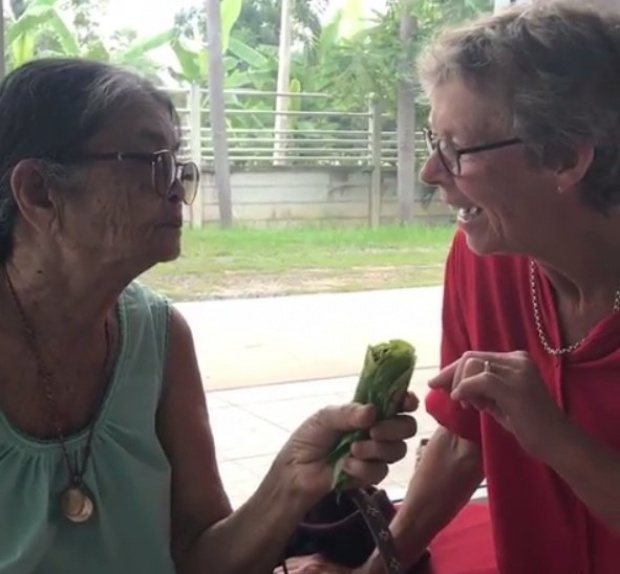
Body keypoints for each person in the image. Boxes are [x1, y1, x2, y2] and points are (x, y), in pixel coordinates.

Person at [0, 57, 418, 574]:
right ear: (40, 193)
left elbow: (203, 559)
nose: (175, 185)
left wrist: (293, 478)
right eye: (149, 161)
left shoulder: (158, 336)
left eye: (175, 162)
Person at [282, 2, 620, 574]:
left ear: (565, 156)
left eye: (455, 148)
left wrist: (557, 439)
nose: (430, 173)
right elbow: (466, 440)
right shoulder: (484, 258)